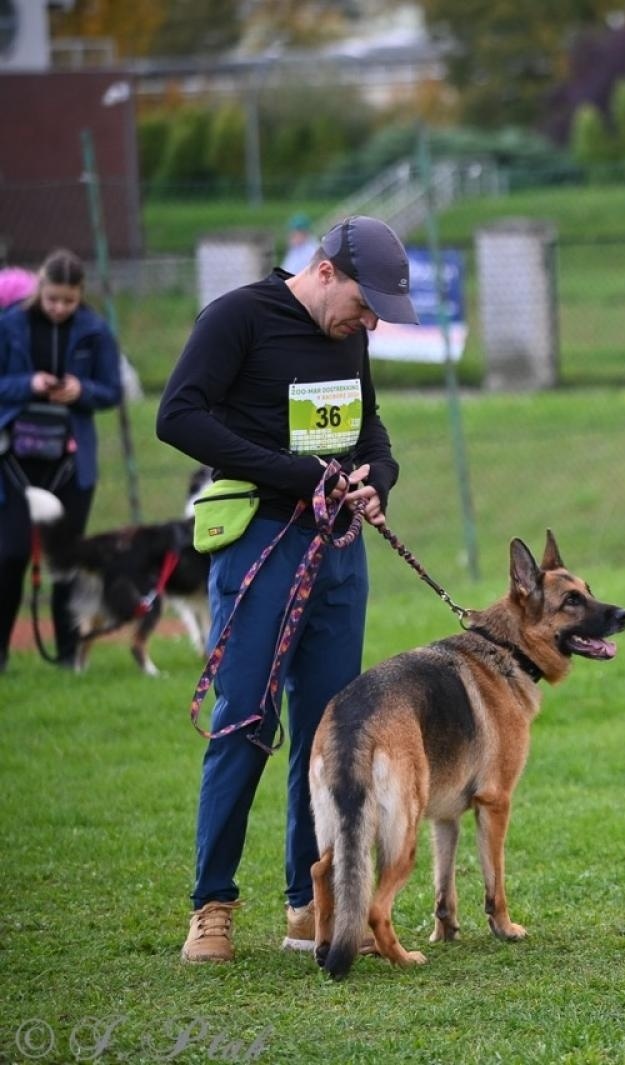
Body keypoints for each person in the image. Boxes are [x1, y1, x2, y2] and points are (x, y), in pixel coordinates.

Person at [157, 215, 418, 963]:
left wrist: (381, 479)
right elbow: (176, 416)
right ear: (325, 269)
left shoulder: (350, 336)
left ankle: (312, 901)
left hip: (340, 553)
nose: (368, 323)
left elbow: (369, 431)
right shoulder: (238, 317)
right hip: (260, 549)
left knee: (332, 732)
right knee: (246, 721)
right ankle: (213, 905)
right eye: (365, 305)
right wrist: (290, 472)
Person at [0, 249, 125, 675]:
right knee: (10, 554)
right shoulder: (10, 324)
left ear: (80, 295)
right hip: (15, 460)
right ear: (40, 287)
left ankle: (69, 654)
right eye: (52, 298)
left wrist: (80, 391)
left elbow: (112, 390)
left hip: (71, 463)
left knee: (66, 560)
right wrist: (27, 384)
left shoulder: (95, 331)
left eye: (68, 300)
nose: (59, 307)